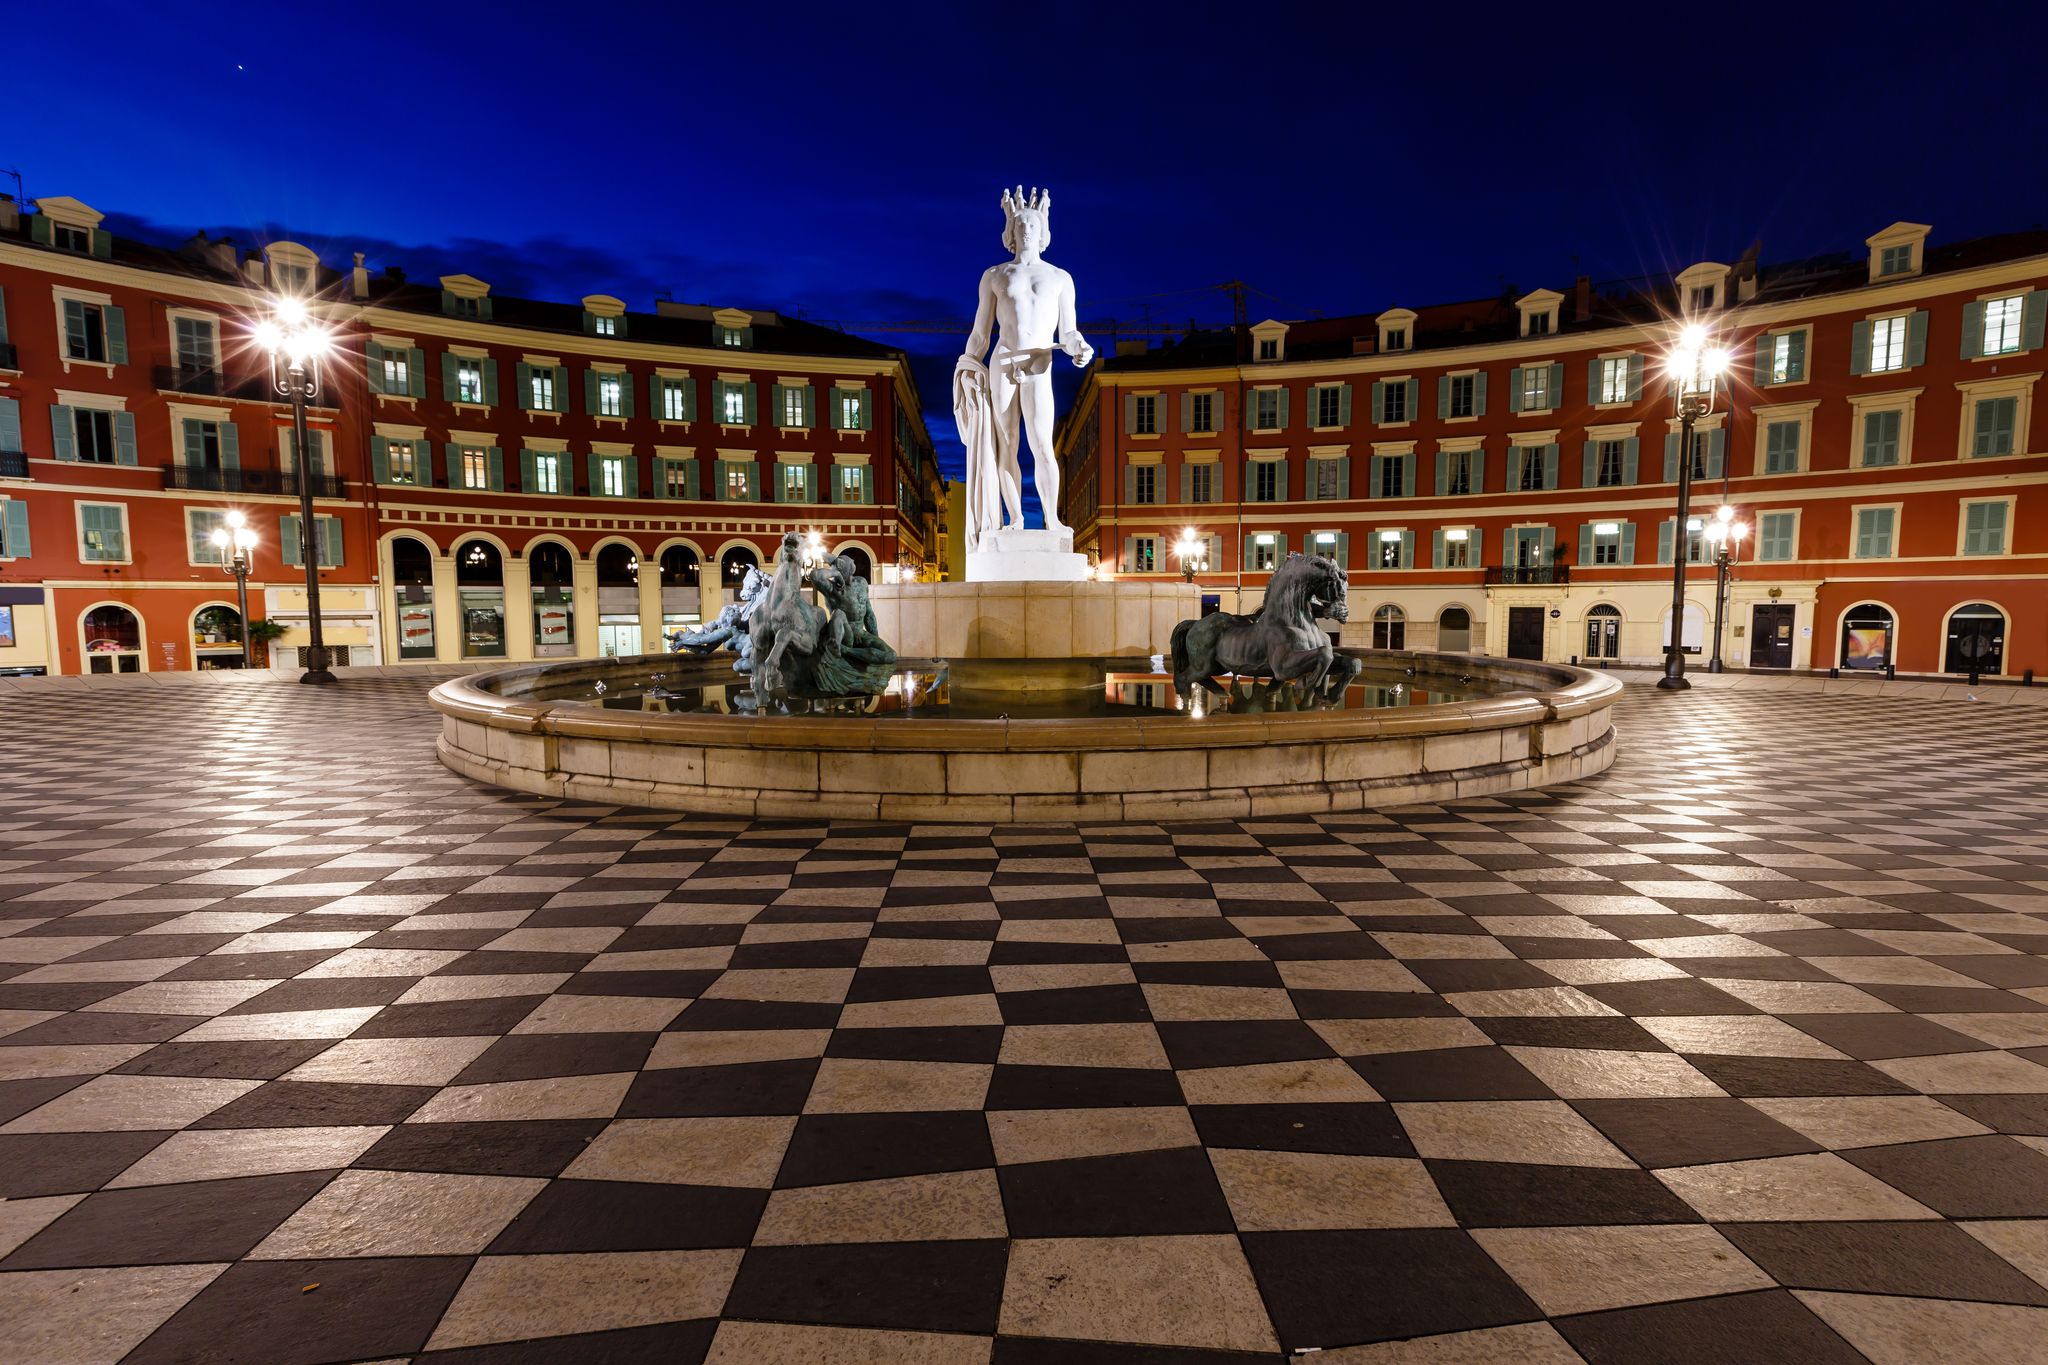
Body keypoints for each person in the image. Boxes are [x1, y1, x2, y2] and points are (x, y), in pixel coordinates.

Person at [954, 187, 1093, 550]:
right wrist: (968, 365)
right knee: (1006, 443)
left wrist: (1079, 347)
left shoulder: (1061, 278)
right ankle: (1014, 518)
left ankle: (1052, 519)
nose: (1026, 229)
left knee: (1042, 444)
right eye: (1020, 223)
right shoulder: (995, 275)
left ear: (1044, 231)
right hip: (1003, 359)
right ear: (1010, 232)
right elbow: (980, 333)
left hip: (1039, 362)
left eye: (1032, 223)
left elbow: (1070, 330)